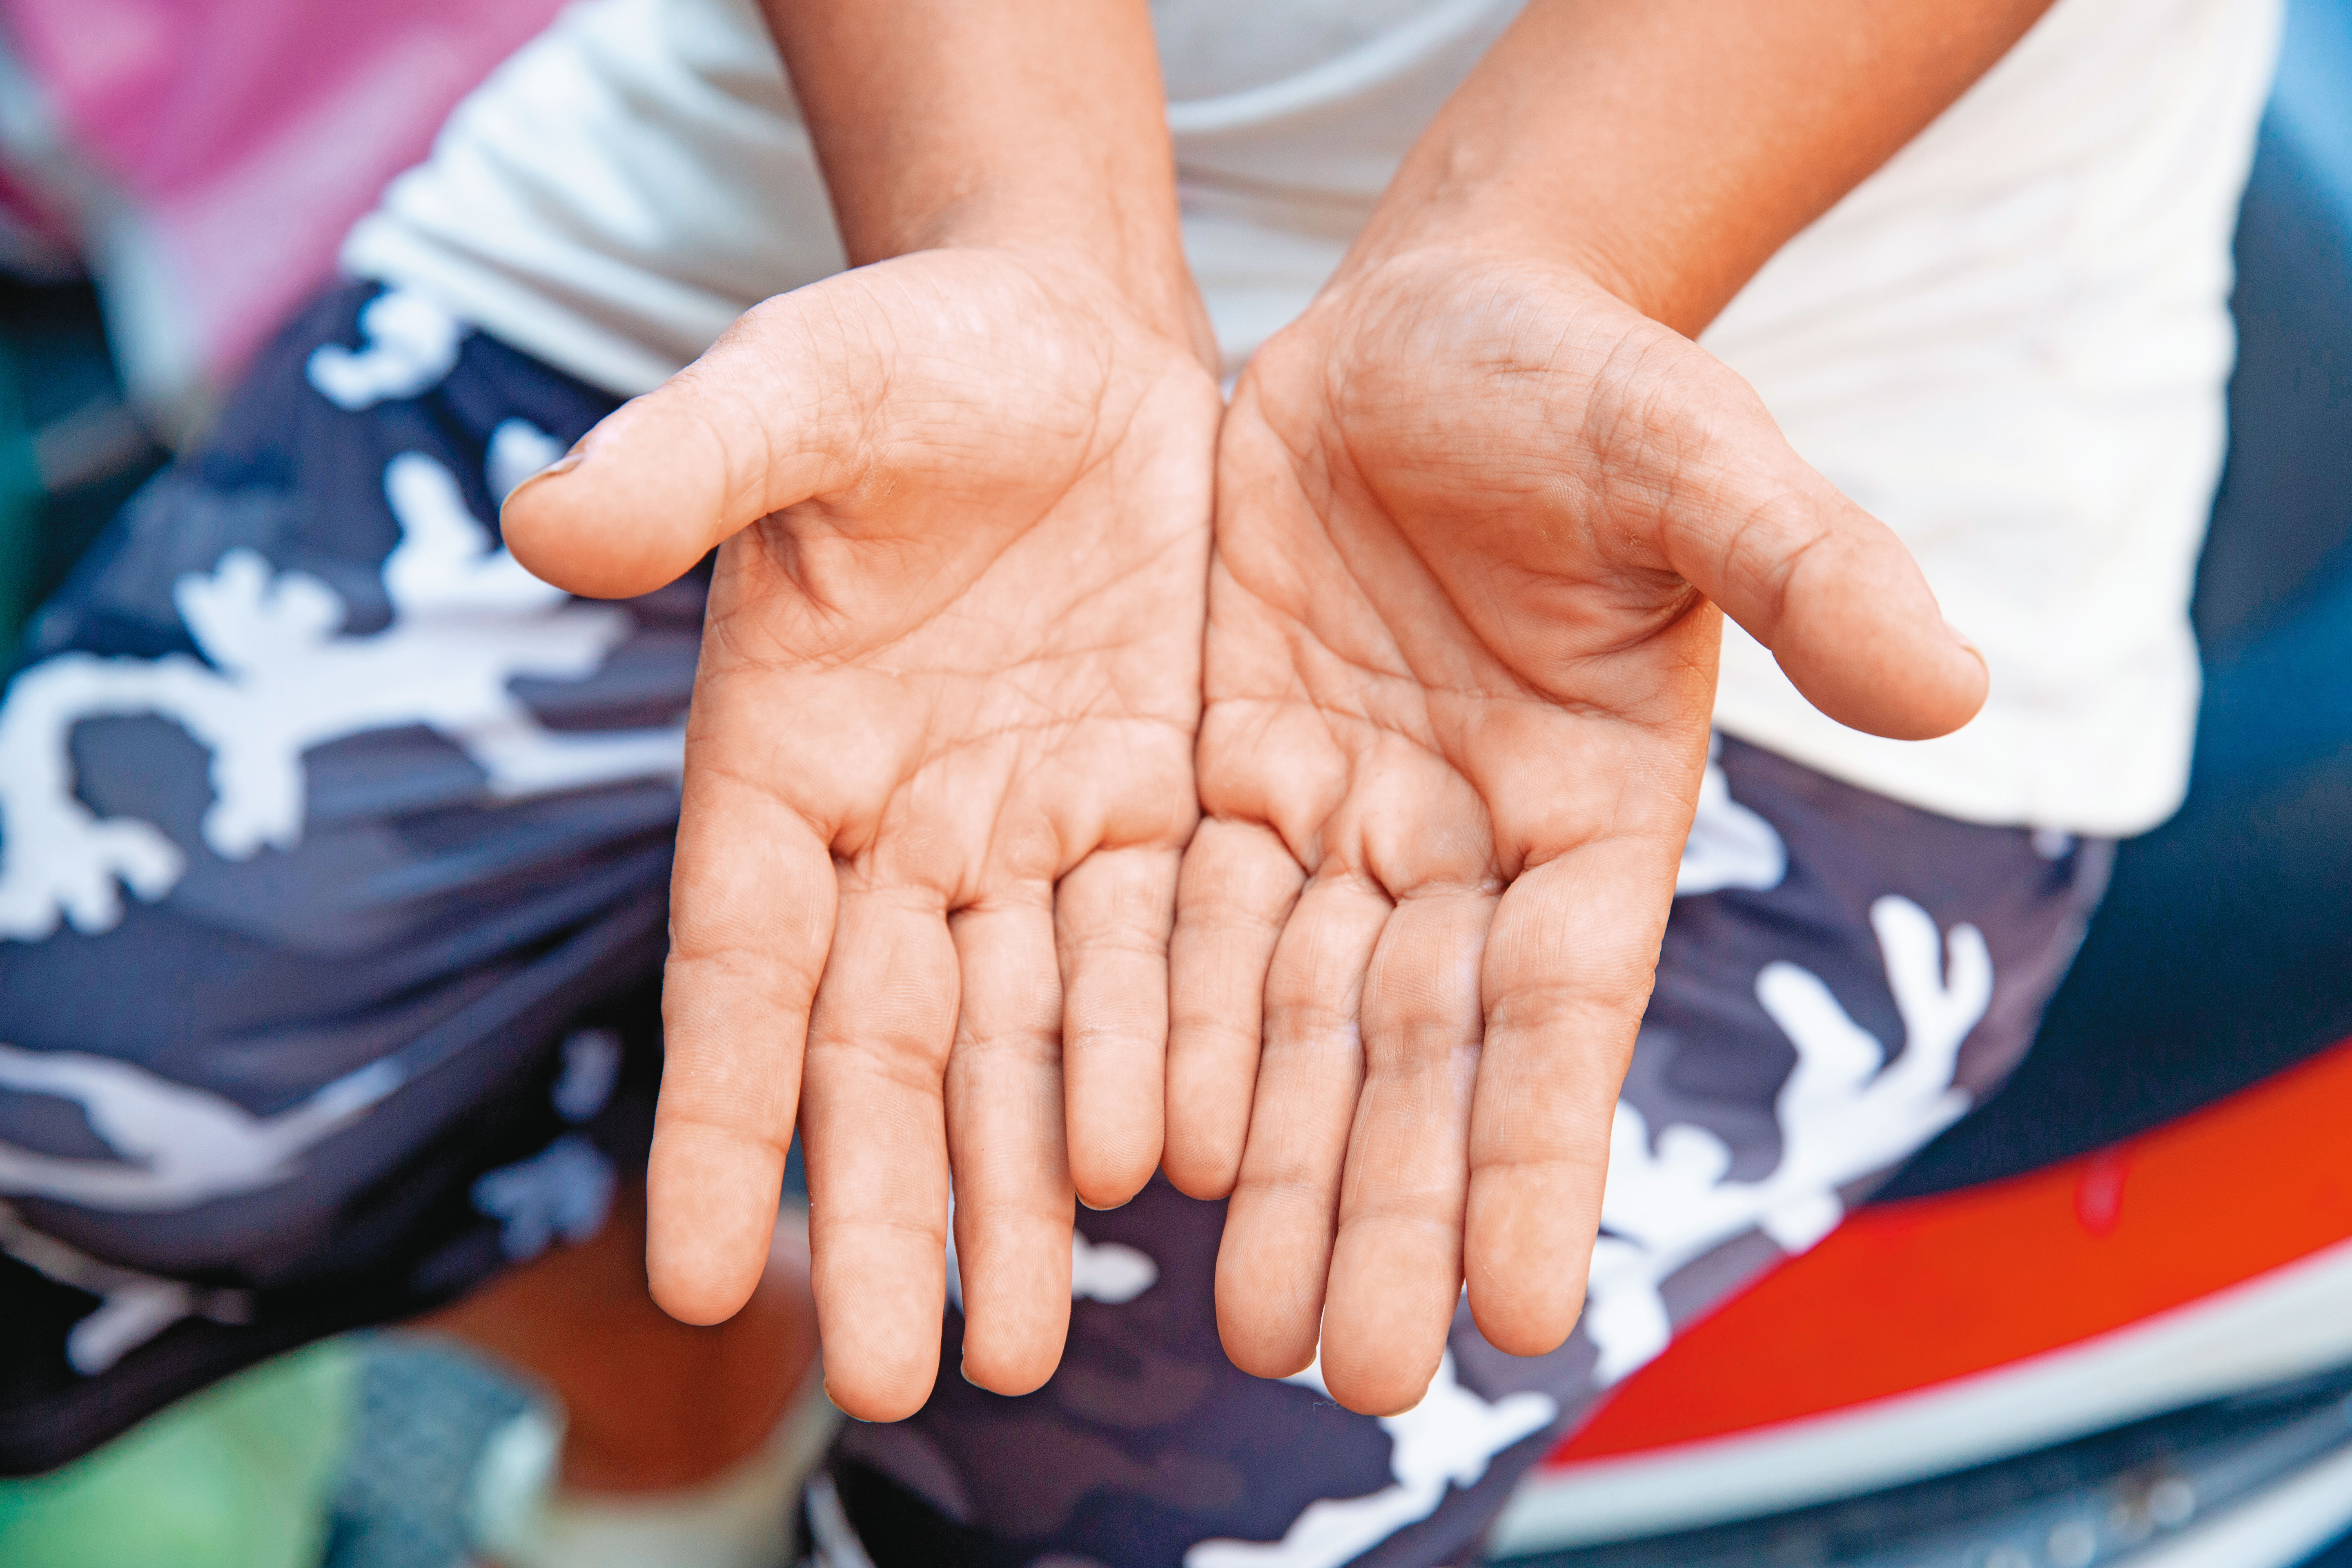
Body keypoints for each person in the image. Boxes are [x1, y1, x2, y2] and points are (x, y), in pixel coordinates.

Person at [0, 0, 2277, 1563]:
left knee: (1149, 1506)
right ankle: (663, 1404)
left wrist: (1534, 252)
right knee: (85, 1122)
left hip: (1753, 430)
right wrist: (1027, 243)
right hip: (781, 235)